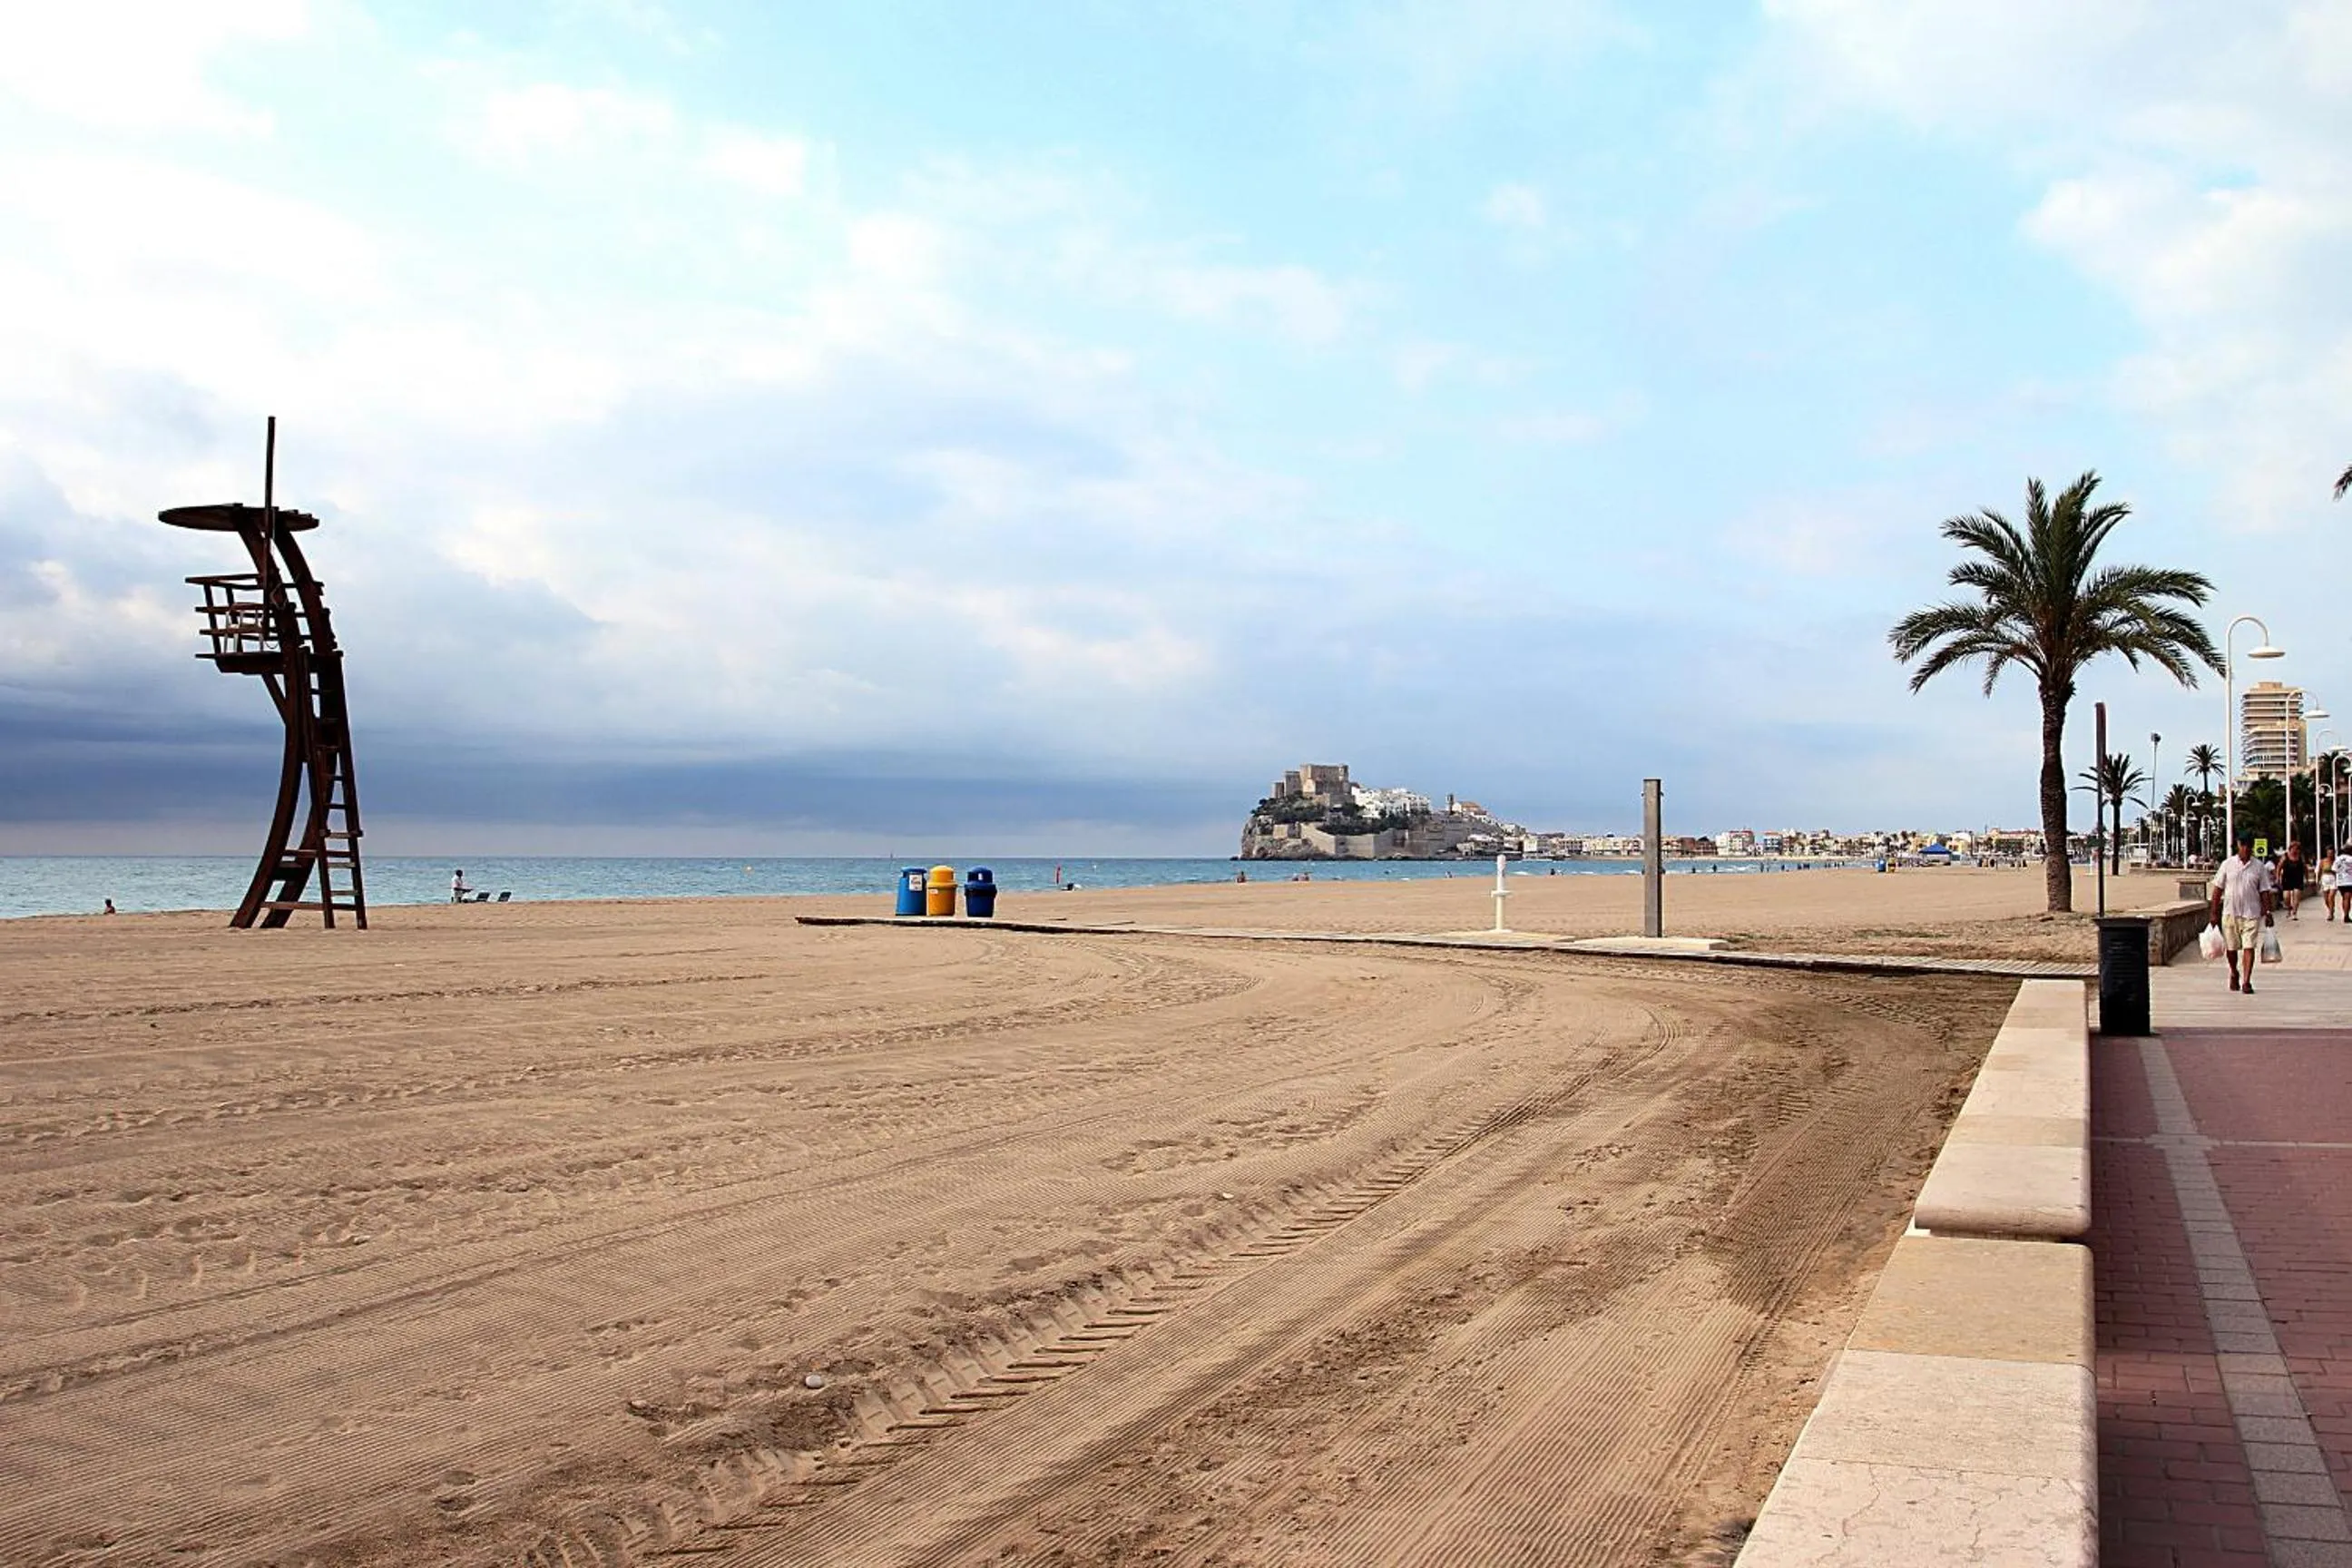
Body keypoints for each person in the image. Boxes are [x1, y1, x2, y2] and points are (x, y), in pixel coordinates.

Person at [2208, 831, 2277, 995]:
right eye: (2242, 844)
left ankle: (2246, 981)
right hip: (2230, 912)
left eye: (2248, 845)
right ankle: (2234, 972)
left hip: (2251, 913)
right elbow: (2217, 890)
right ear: (2238, 845)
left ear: (2252, 847)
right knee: (2231, 949)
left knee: (2249, 946)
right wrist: (2214, 912)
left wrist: (2268, 911)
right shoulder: (2227, 864)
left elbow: (2264, 891)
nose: (2245, 848)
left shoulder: (2259, 867)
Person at [2281, 841, 2307, 919]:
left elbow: (2305, 868)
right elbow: (2279, 867)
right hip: (2287, 878)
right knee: (2286, 897)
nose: (2295, 851)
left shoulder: (2300, 857)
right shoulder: (2285, 856)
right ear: (2290, 849)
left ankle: (2294, 912)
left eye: (2297, 849)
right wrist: (2277, 876)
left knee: (2296, 895)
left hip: (2298, 878)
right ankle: (2289, 908)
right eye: (2293, 849)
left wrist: (2307, 878)